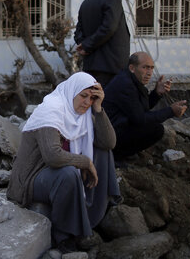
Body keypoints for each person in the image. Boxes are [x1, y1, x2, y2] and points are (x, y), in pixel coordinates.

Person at [7, 72, 121, 252]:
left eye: (91, 98)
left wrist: (99, 109)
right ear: (72, 91)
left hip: (57, 173)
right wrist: (84, 161)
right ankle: (63, 235)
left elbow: (109, 143)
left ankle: (93, 212)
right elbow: (52, 156)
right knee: (66, 174)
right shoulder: (51, 109)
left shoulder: (82, 114)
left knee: (102, 152)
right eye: (83, 96)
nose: (86, 102)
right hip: (33, 178)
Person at [103, 52, 188, 163]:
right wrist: (171, 111)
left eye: (151, 68)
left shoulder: (130, 79)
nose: (149, 73)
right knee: (155, 130)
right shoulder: (125, 84)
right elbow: (141, 118)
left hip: (116, 127)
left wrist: (157, 93)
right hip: (109, 134)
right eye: (145, 68)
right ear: (132, 68)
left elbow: (141, 108)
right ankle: (116, 156)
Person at [74, 0, 130, 87]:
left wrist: (83, 45)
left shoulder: (87, 1)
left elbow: (78, 32)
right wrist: (87, 45)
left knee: (97, 102)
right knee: (110, 103)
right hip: (112, 67)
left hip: (91, 66)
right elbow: (109, 28)